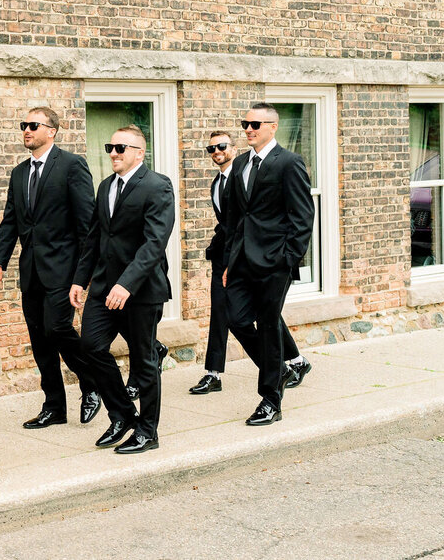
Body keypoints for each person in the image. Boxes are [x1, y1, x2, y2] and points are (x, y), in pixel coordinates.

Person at [0, 107, 101, 429]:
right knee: (40, 341)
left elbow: (87, 226)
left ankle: (92, 381)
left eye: (33, 125)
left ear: (52, 131)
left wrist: (83, 276)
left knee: (58, 329)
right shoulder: (19, 173)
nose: (26, 130)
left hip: (63, 270)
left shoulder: (71, 166)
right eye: (23, 125)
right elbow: (11, 222)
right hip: (31, 272)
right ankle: (54, 407)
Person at [70, 126, 174, 455]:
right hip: (104, 287)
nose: (113, 153)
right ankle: (123, 415)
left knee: (144, 361)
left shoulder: (158, 186)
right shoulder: (105, 187)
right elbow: (95, 238)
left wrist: (126, 284)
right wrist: (80, 279)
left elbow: (154, 244)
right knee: (91, 346)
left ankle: (148, 431)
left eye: (120, 148)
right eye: (110, 147)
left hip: (141, 291)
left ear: (139, 153)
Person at [191, 130, 306, 395]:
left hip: (251, 256)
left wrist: (286, 258)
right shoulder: (217, 182)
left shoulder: (247, 175)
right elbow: (229, 222)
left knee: (262, 313)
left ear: (234, 148)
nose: (216, 152)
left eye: (221, 146)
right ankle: (216, 372)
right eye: (211, 149)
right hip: (227, 254)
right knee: (228, 312)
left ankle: (289, 364)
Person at [222, 103, 315, 426]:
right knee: (235, 319)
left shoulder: (289, 162)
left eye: (255, 124)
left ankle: (270, 400)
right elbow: (235, 217)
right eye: (245, 124)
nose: (248, 129)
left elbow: (302, 217)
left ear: (273, 127)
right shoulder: (240, 163)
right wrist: (228, 261)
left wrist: (287, 260)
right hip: (241, 261)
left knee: (268, 324)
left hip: (275, 262)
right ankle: (280, 370)